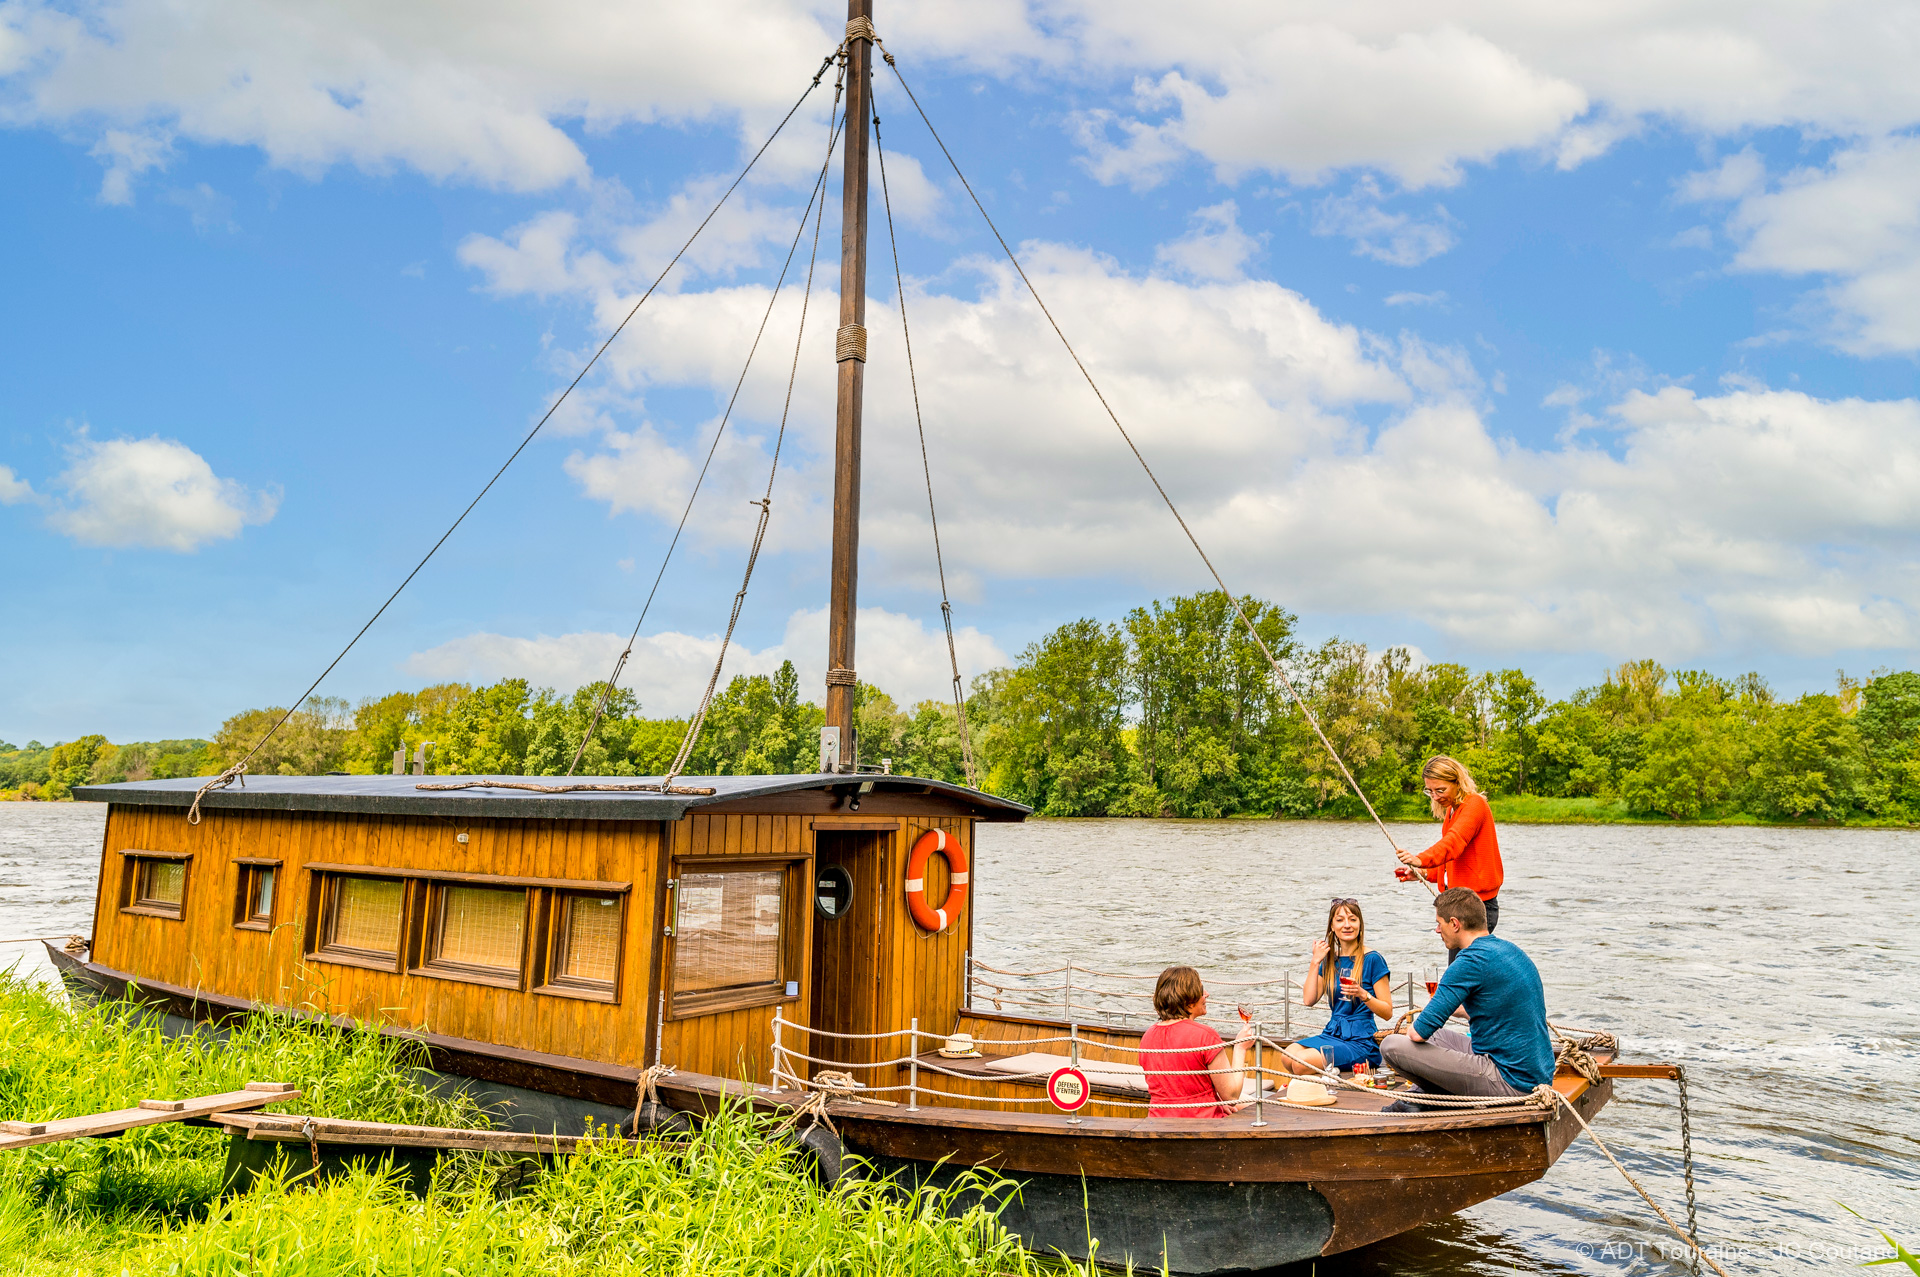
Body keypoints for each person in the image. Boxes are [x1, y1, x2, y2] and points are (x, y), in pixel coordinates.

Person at [1379, 888, 1554, 1112]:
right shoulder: (1509, 950)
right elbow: (1496, 1009)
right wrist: (1453, 1008)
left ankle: (1430, 1098)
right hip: (1534, 1073)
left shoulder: (1468, 961)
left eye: (1439, 923)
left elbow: (1417, 1033)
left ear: (1454, 923)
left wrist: (1433, 1010)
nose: (1436, 930)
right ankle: (1428, 1096)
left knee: (1392, 1045)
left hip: (1511, 1082)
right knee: (1439, 1036)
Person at [1394, 755, 1504, 959]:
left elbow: (1454, 843)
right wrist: (1423, 873)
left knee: (1462, 973)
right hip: (1458, 904)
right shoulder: (1452, 811)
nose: (1435, 796)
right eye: (1430, 791)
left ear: (1457, 782)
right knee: (1460, 971)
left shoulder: (1475, 805)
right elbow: (1453, 862)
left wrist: (1420, 859)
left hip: (1477, 907)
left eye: (1440, 790)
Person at [1277, 898, 1391, 1075]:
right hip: (1332, 1033)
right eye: (1340, 920)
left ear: (1360, 924)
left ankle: (1328, 1082)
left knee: (1301, 1063)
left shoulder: (1373, 959)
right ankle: (1318, 1087)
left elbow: (1387, 1012)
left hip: (1360, 1041)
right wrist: (1315, 962)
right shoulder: (1330, 960)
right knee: (1287, 1055)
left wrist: (1363, 994)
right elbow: (1308, 1000)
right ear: (1332, 926)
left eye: (1352, 919)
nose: (1347, 925)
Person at [1139, 965, 1254, 1118]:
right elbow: (1231, 1096)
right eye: (1201, 990)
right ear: (1188, 999)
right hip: (1202, 1126)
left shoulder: (1148, 1036)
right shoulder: (1205, 1036)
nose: (1206, 994)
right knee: (1258, 1109)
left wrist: (1217, 1102)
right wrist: (1240, 1048)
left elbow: (1180, 1089)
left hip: (1159, 1122)